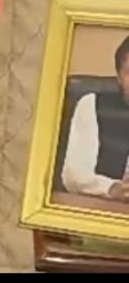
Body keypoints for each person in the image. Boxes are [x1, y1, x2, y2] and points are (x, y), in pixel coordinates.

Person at [61, 35, 129, 199]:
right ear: (119, 77)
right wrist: (111, 188)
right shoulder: (91, 104)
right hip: (103, 206)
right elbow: (73, 175)